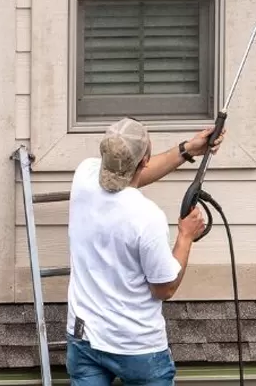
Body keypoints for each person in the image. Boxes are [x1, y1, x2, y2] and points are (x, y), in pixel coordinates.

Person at [64, 116, 223, 386]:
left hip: (84, 340)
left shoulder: (84, 175)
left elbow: (127, 175)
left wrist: (188, 149)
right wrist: (186, 236)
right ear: (145, 159)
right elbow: (165, 288)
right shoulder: (146, 217)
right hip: (137, 347)